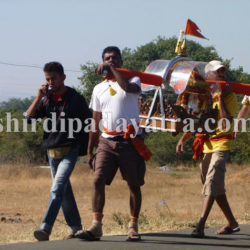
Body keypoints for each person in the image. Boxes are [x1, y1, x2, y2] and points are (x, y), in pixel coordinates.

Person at [76, 46, 147, 241]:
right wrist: (89, 150)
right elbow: (95, 120)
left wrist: (112, 70)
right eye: (107, 58)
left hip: (129, 141)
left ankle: (133, 226)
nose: (111, 61)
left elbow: (126, 88)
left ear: (121, 61)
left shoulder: (133, 80)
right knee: (98, 180)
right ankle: (96, 225)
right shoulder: (98, 88)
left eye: (114, 58)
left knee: (133, 184)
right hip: (106, 140)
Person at [26, 62, 91, 241]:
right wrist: (38, 97)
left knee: (56, 188)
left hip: (70, 150)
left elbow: (88, 123)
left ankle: (45, 229)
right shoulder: (46, 99)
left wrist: (89, 150)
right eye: (47, 79)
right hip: (52, 151)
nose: (51, 82)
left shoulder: (75, 98)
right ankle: (76, 227)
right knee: (64, 190)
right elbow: (29, 119)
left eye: (54, 78)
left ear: (63, 77)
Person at [176, 60, 240, 238]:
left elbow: (226, 121)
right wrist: (183, 138)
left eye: (222, 73)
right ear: (208, 76)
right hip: (207, 144)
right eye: (217, 73)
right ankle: (232, 223)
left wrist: (219, 98)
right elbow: (197, 121)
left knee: (211, 184)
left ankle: (200, 224)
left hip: (222, 144)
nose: (221, 76)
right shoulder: (204, 94)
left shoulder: (229, 95)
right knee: (213, 186)